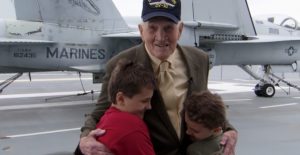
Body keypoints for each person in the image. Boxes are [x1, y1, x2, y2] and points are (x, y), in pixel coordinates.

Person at [75, 0, 238, 155]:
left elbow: (204, 106)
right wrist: (85, 138)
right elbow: (100, 111)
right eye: (152, 28)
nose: (160, 37)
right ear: (141, 30)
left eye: (168, 28)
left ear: (180, 30)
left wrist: (229, 129)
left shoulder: (199, 59)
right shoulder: (120, 64)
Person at [95, 60, 156, 155]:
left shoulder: (106, 119)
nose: (149, 107)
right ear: (120, 99)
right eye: (144, 101)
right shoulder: (132, 127)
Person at [184, 91, 227, 155]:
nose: (187, 132)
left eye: (195, 131)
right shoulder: (227, 141)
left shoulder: (195, 150)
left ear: (216, 130)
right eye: (186, 124)